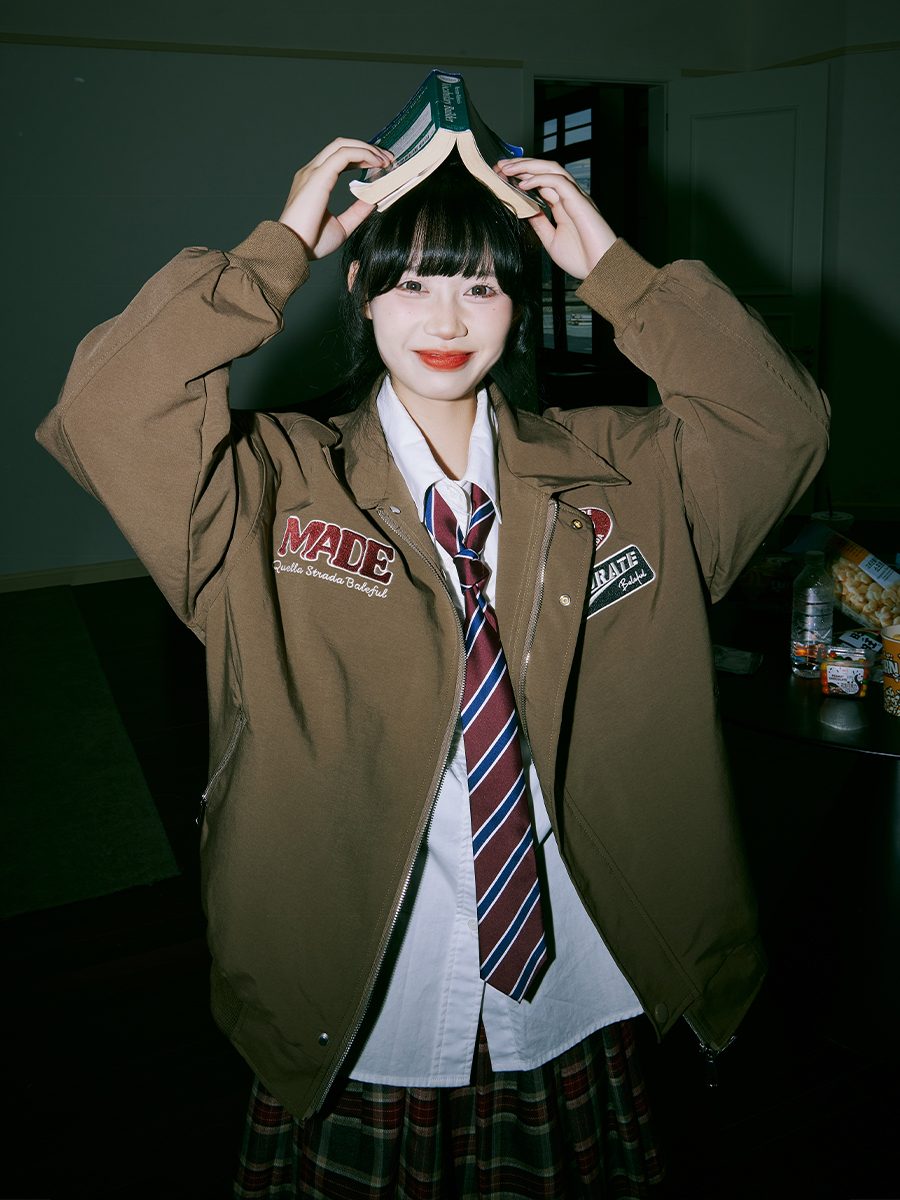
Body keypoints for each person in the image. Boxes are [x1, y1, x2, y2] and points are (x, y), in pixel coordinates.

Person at [37, 135, 829, 1199]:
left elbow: (782, 422)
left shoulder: (624, 474)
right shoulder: (270, 486)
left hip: (576, 975)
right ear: (359, 292)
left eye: (481, 286)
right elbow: (106, 409)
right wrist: (278, 251)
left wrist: (617, 274)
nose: (448, 322)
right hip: (362, 997)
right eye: (411, 284)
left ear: (519, 304)